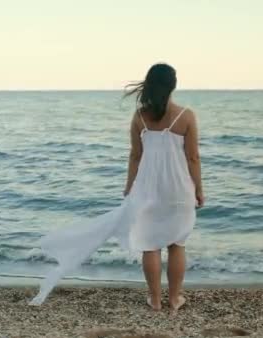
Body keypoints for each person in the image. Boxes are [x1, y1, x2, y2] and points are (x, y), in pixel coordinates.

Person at [30, 63, 204, 311]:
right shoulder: (186, 115)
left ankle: (155, 300)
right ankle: (174, 299)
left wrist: (129, 187)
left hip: (147, 189)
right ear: (173, 85)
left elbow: (135, 156)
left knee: (150, 244)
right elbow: (193, 157)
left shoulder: (140, 117)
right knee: (177, 244)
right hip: (178, 190)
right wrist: (198, 189)